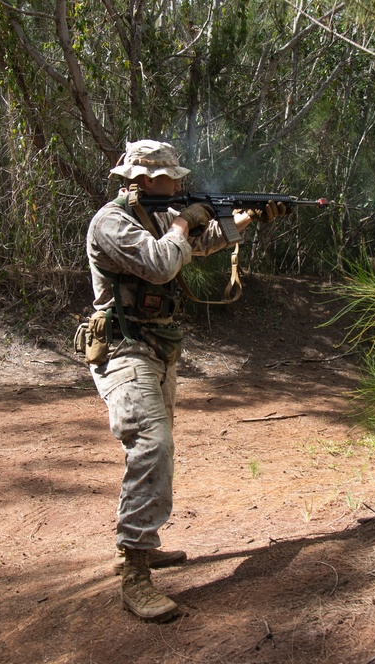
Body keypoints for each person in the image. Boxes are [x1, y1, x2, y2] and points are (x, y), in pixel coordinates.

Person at [85, 139, 286, 622]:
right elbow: (160, 263)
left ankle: (143, 542)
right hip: (123, 347)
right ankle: (133, 569)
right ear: (145, 180)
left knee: (159, 447)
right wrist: (182, 219)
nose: (180, 184)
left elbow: (195, 246)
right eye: (172, 178)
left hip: (159, 346)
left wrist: (242, 221)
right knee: (151, 446)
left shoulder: (160, 215)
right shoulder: (110, 222)